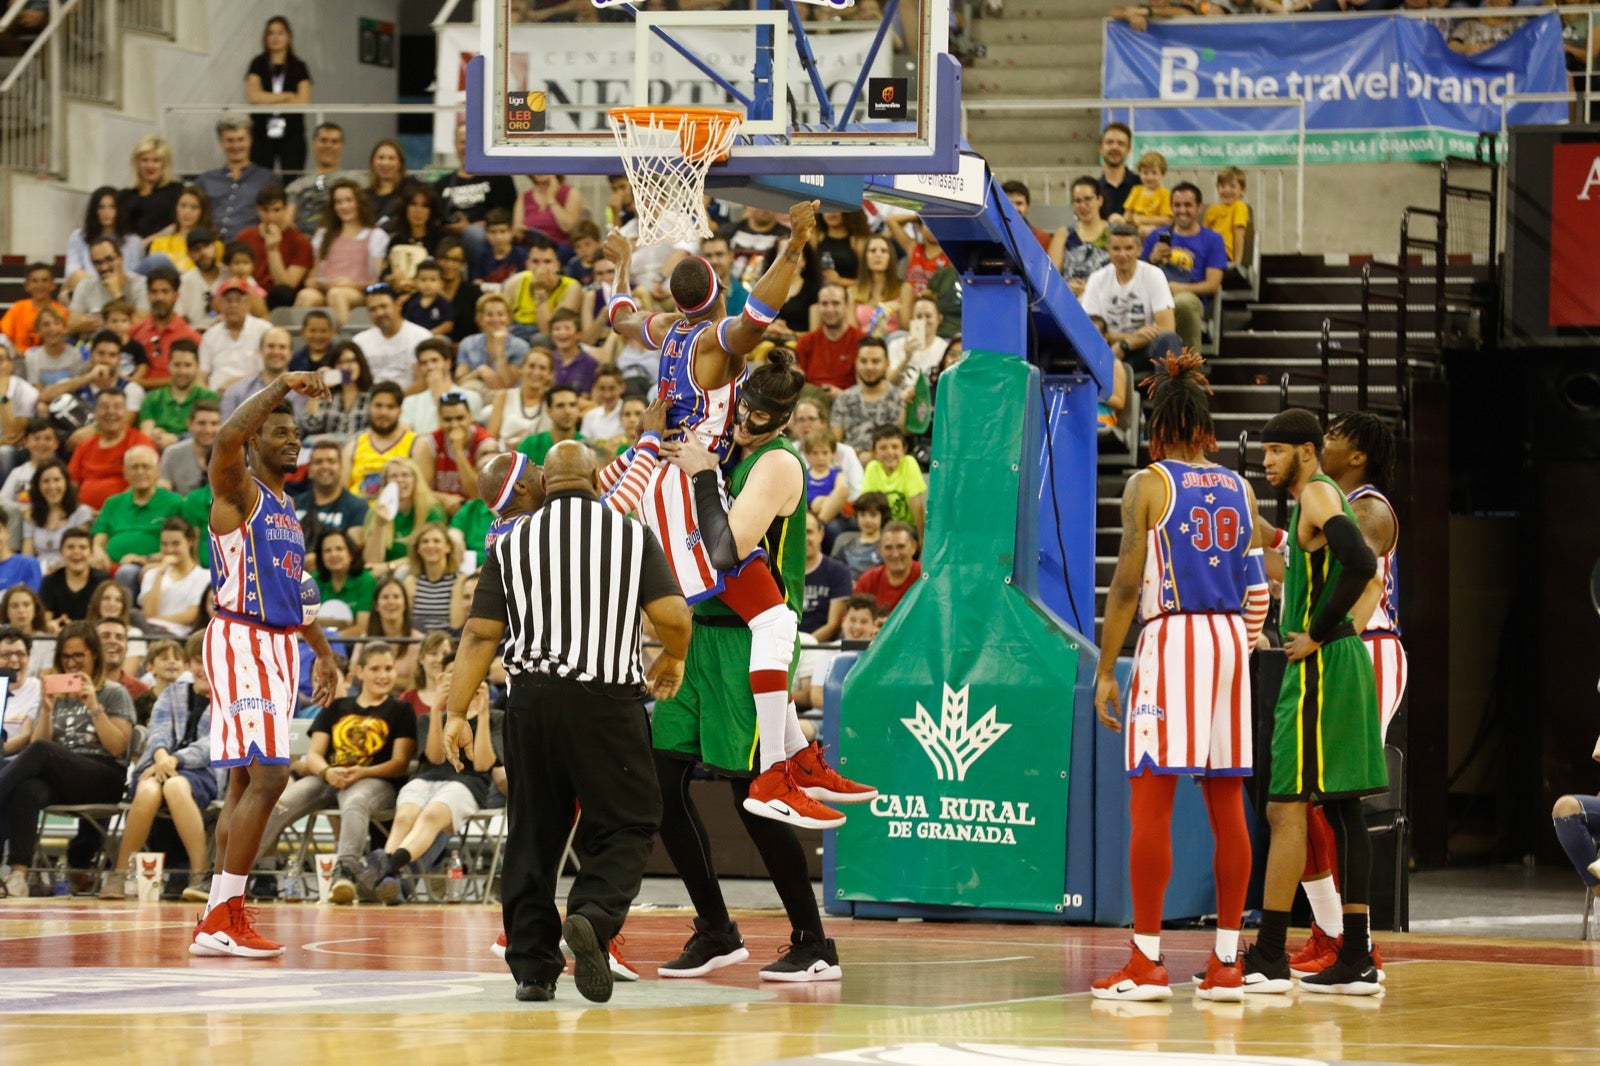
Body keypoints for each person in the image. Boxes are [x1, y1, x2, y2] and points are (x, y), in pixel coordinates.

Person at [605, 202, 871, 828]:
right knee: (775, 624)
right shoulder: (711, 343)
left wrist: (617, 267)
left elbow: (620, 318)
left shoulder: (665, 329)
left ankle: (796, 758)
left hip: (669, 479)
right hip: (682, 488)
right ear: (717, 294)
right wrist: (796, 239)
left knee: (774, 621)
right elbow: (765, 309)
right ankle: (778, 771)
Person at [650, 350, 871, 982]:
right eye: (741, 408)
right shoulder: (727, 438)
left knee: (758, 796)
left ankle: (814, 942)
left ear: (784, 420)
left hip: (754, 635)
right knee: (662, 785)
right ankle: (716, 929)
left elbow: (726, 550)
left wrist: (698, 474)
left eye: (759, 416)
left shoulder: (775, 462)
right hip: (698, 635)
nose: (744, 422)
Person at [443, 439, 690, 1002]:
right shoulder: (627, 532)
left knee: (533, 833)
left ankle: (532, 968)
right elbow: (673, 616)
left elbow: (480, 633)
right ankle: (593, 915)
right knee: (629, 820)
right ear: (596, 476)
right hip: (606, 701)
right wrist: (672, 656)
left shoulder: (509, 543)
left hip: (529, 702)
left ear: (546, 483)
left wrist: (457, 712)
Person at [1089, 353, 1269, 1002]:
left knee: (1153, 796)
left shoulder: (1149, 484)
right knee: (1226, 800)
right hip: (1228, 642)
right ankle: (1225, 962)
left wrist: (1108, 669)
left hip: (1175, 638)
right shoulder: (1240, 488)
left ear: (1158, 423)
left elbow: (1127, 584)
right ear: (1205, 424)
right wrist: (1242, 651)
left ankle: (1146, 960)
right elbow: (1257, 592)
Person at [190, 370, 339, 957]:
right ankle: (226, 913)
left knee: (243, 786)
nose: (291, 439)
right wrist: (281, 385)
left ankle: (214, 915)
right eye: (278, 431)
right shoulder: (239, 490)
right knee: (272, 777)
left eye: (295, 433)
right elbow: (225, 438)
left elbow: (297, 595)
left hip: (279, 647)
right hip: (241, 639)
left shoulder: (286, 508)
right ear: (255, 440)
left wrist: (323, 653)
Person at [1249, 407, 1387, 996]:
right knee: (1342, 809)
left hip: (1325, 666)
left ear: (1303, 451)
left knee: (1286, 807)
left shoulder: (1320, 496)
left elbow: (1362, 564)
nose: (1268, 464)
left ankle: (1272, 952)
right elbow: (1320, 566)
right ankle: (1354, 953)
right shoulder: (1318, 501)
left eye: (1275, 453)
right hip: (1341, 661)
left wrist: (1320, 629)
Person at [1286, 412, 1404, 980]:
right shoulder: (1328, 500)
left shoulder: (1368, 506)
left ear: (1357, 455)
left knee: (1334, 797)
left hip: (1367, 648)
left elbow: (1370, 578)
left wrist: (1333, 636)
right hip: (1347, 647)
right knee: (1312, 798)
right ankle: (1334, 933)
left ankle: (1349, 941)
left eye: (1332, 437)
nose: (1322, 444)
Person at [0, 621, 136, 899]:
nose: (72, 663)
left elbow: (118, 748)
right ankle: (18, 875)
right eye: (66, 657)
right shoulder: (57, 694)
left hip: (104, 775)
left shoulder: (113, 692)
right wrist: (47, 710)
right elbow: (42, 739)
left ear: (93, 655)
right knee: (27, 788)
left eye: (78, 656)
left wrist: (94, 706)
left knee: (40, 750)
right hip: (64, 774)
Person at [99, 632, 219, 901]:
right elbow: (157, 733)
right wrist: (163, 756)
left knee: (175, 785)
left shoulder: (229, 701)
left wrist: (174, 760)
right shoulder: (171, 693)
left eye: (212, 661)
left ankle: (199, 875)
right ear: (189, 664)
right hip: (157, 763)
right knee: (148, 790)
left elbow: (214, 744)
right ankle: (118, 873)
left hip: (203, 771)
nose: (204, 669)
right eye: (199, 661)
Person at [360, 670, 498, 904]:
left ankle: (385, 867)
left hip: (469, 782)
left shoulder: (495, 717)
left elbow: (483, 763)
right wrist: (436, 709)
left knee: (432, 814)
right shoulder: (427, 719)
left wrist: (482, 714)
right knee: (405, 816)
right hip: (426, 777)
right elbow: (434, 757)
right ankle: (388, 880)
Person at [1079, 224, 1182, 370]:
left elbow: (1167, 328)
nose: (1122, 254)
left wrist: (1126, 344)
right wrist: (1135, 336)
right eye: (1116, 249)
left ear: (1139, 250)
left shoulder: (1153, 275)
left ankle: (1168, 393)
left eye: (1128, 248)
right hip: (1108, 351)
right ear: (1108, 251)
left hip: (1143, 350)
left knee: (1168, 340)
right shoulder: (1097, 279)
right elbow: (1091, 332)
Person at [1142, 183, 1227, 354]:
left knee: (1183, 303)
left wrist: (1179, 288)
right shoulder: (1156, 236)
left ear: (1199, 207)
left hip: (1190, 297)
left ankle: (1189, 372)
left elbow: (1213, 284)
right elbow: (1136, 276)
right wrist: (1152, 259)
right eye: (1177, 205)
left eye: (1188, 205)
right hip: (1154, 298)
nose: (1182, 210)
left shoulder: (1212, 239)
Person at [295, 179, 390, 327]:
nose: (344, 206)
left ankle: (343, 344)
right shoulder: (324, 235)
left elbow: (377, 282)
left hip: (357, 292)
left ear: (359, 202)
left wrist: (351, 285)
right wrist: (317, 282)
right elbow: (312, 277)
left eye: (348, 200)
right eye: (338, 202)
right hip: (326, 289)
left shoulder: (375, 235)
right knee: (305, 296)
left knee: (337, 294)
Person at [244, 16, 312, 174]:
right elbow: (254, 97)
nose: (275, 38)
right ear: (265, 38)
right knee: (260, 177)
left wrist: (268, 99)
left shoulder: (299, 66)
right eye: (271, 33)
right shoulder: (258, 63)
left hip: (292, 132)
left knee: (292, 177)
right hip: (261, 130)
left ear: (289, 37)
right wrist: (288, 95)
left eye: (280, 33)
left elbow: (303, 101)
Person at [195, 115, 276, 242]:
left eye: (241, 139)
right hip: (208, 245)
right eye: (230, 140)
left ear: (250, 140)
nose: (236, 146)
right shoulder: (205, 180)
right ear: (221, 142)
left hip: (250, 247)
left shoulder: (268, 179)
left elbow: (275, 218)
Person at [137, 518, 210, 639]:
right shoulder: (152, 574)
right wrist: (161, 571)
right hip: (150, 633)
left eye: (176, 544)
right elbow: (149, 611)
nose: (169, 550)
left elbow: (192, 615)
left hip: (182, 635)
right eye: (164, 544)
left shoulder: (204, 576)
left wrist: (154, 620)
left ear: (190, 542)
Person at [294, 440, 369, 556]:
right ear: (309, 470)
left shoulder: (358, 506)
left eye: (331, 461)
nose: (325, 466)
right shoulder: (294, 504)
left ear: (341, 468)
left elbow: (352, 550)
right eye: (318, 462)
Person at [286, 122, 360, 236]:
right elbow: (287, 222)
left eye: (334, 141)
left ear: (341, 146)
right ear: (314, 143)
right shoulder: (296, 187)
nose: (328, 146)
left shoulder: (356, 182)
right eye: (323, 140)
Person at [344, 382, 416, 499]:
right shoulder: (353, 445)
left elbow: (422, 490)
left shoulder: (416, 443)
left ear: (400, 411)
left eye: (390, 407)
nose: (383, 412)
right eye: (378, 406)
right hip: (358, 512)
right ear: (369, 407)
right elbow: (342, 491)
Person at [118, 136, 183, 243]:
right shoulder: (124, 196)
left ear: (164, 164)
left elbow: (180, 224)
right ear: (137, 164)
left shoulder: (176, 191)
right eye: (145, 160)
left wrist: (146, 242)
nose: (150, 165)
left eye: (156, 161)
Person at [39, 528, 106, 628]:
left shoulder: (103, 582)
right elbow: (45, 622)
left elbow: (106, 620)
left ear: (91, 553)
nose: (76, 552)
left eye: (82, 547)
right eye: (70, 547)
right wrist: (52, 627)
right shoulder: (49, 582)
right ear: (61, 553)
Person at [853, 521, 922, 614]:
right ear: (880, 550)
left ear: (914, 547)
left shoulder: (925, 578)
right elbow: (853, 618)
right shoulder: (868, 581)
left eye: (901, 547)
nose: (895, 554)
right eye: (888, 548)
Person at [0, 262, 68, 353]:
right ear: (27, 286)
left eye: (44, 280)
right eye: (35, 281)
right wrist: (17, 352)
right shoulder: (18, 308)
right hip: (20, 359)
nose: (40, 285)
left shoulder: (61, 311)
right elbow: (4, 336)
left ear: (53, 285)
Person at [0, 627, 43, 757]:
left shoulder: (40, 689)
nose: (14, 660)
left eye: (20, 654)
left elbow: (30, 736)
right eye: (6, 655)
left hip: (21, 763)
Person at [1097, 121, 1138, 221]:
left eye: (1121, 143)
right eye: (1109, 142)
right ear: (1101, 148)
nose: (1115, 147)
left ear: (1128, 150)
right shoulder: (1094, 190)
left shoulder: (1141, 185)